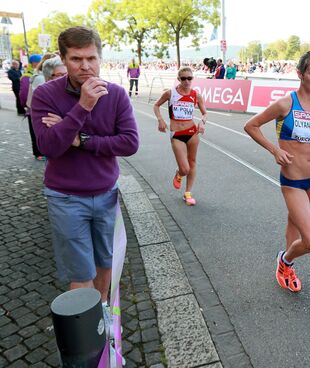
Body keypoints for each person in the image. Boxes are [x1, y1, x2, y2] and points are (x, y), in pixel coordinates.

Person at [30, 27, 139, 317]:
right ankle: (87, 334)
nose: (86, 66)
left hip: (106, 193)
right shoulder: (45, 95)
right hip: (65, 197)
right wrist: (82, 107)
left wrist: (80, 140)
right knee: (81, 271)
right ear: (63, 60)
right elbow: (50, 147)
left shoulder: (115, 95)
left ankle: (102, 315)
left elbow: (129, 143)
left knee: (105, 261)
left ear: (100, 57)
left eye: (91, 58)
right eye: (77, 59)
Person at [244, 51, 310, 293]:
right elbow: (251, 126)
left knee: (294, 220)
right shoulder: (285, 104)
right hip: (292, 180)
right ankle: (284, 260)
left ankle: (288, 268)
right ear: (300, 74)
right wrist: (274, 150)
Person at [153, 66, 207, 205]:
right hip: (177, 133)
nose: (187, 81)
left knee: (192, 162)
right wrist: (160, 120)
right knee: (185, 168)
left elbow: (204, 113)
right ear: (178, 79)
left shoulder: (196, 95)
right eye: (184, 78)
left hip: (192, 132)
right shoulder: (170, 94)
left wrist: (202, 122)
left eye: (190, 78)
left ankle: (188, 193)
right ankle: (179, 174)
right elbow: (156, 105)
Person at [25, 53, 57, 160]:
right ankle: (39, 153)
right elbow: (41, 96)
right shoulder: (40, 78)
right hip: (38, 110)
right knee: (38, 133)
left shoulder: (37, 75)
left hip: (34, 109)